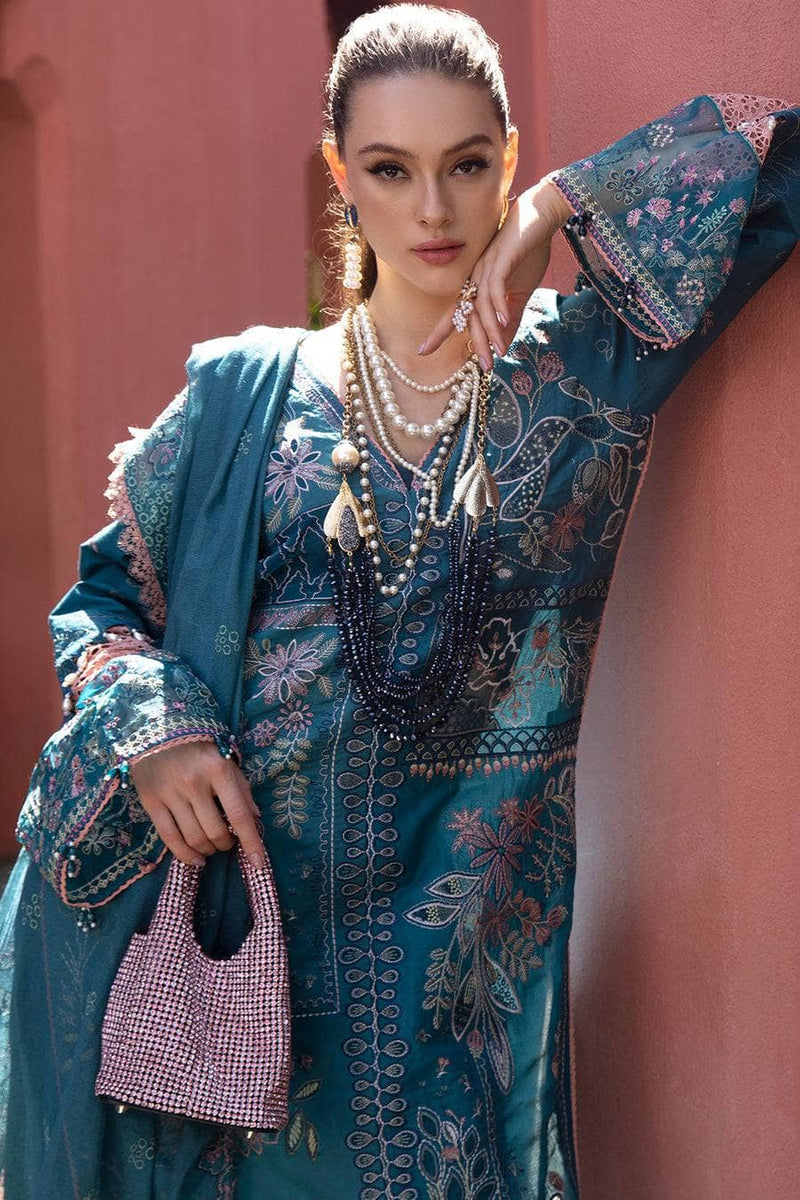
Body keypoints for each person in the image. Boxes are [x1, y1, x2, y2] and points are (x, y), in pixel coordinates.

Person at [0, 4, 797, 1198]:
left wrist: (553, 211)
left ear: (505, 160)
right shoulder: (246, 402)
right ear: (341, 176)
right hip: (238, 990)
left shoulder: (580, 374)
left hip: (455, 1020)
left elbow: (775, 163)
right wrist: (156, 733)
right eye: (388, 169)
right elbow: (107, 598)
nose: (432, 210)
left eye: (466, 166)